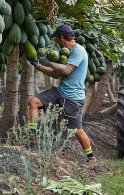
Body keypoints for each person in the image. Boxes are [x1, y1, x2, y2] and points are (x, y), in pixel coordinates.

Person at [27, 24, 97, 167]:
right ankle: (32, 137)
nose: (57, 43)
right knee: (33, 102)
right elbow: (56, 74)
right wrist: (38, 66)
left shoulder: (78, 50)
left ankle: (91, 159)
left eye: (57, 40)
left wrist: (48, 61)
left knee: (76, 130)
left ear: (61, 38)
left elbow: (65, 71)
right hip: (60, 91)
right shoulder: (65, 54)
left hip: (73, 97)